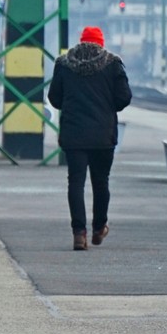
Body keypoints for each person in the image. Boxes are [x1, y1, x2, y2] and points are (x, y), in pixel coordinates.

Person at [47, 26, 132, 251]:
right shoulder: (113, 64)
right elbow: (124, 97)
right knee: (101, 181)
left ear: (81, 41)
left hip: (74, 134)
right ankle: (99, 228)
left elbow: (54, 98)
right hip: (103, 134)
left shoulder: (64, 64)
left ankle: (79, 233)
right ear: (101, 43)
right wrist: (107, 107)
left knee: (76, 182)